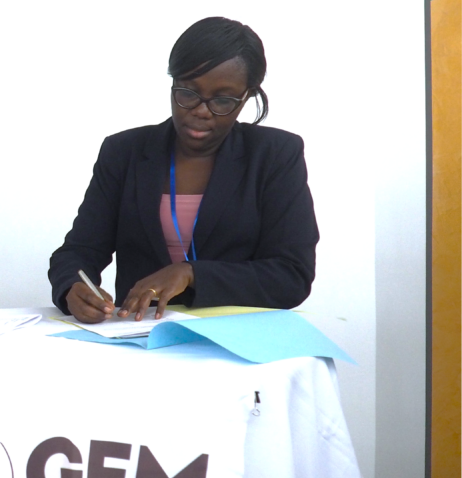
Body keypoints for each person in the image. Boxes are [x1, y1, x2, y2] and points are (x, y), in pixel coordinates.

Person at [49, 16, 319, 323]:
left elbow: (291, 276)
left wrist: (192, 274)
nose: (202, 111)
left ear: (247, 97)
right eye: (188, 94)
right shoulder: (124, 153)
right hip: (141, 334)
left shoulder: (275, 155)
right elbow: (78, 251)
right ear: (173, 84)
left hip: (238, 339)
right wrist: (72, 287)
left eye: (222, 100)